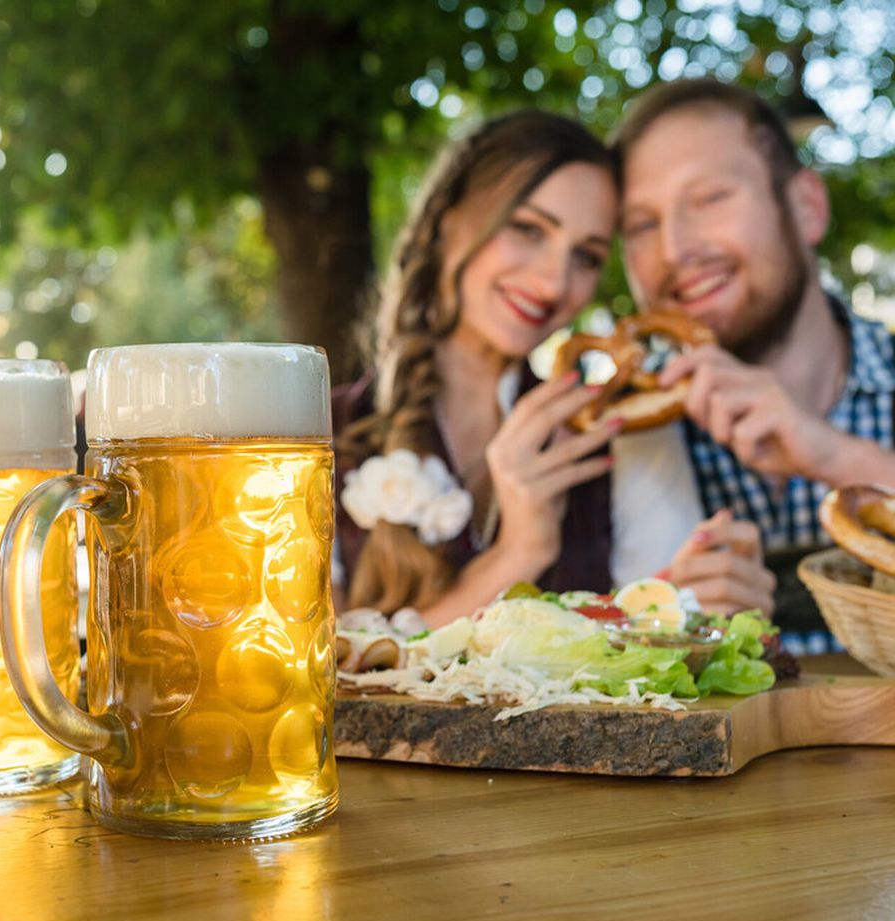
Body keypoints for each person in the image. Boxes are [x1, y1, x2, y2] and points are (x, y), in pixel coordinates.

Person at [611, 78, 895, 653]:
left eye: (710, 198)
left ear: (806, 208)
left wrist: (835, 456)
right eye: (641, 225)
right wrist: (663, 625)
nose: (674, 250)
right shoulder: (618, 443)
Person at [334, 110, 621, 625]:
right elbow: (322, 674)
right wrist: (516, 556)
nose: (555, 283)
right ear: (447, 220)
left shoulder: (602, 445)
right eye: (529, 229)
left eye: (587, 257)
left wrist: (677, 592)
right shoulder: (316, 438)